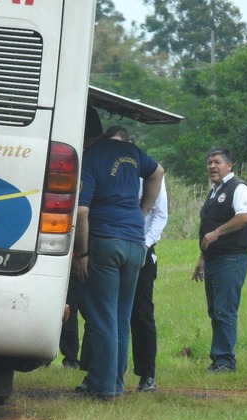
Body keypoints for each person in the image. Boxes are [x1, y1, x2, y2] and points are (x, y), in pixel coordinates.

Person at [72, 107, 164, 399]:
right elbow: (158, 172)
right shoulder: (129, 151)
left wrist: (82, 253)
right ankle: (116, 384)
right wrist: (142, 211)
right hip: (135, 243)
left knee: (102, 317)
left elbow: (82, 212)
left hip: (105, 242)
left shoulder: (90, 158)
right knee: (121, 318)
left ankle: (102, 387)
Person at [105, 126, 168, 392]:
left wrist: (143, 244)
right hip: (112, 246)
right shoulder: (105, 171)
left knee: (140, 313)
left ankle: (147, 374)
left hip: (141, 249)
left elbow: (160, 215)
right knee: (104, 311)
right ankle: (101, 372)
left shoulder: (148, 173)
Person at [191, 147, 247, 372]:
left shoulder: (238, 188)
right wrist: (202, 259)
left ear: (230, 165)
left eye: (217, 162)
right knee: (215, 310)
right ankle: (218, 359)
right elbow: (208, 228)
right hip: (214, 259)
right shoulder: (214, 190)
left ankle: (226, 362)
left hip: (232, 258)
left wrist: (217, 233)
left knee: (224, 310)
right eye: (209, 163)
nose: (212, 166)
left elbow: (245, 217)